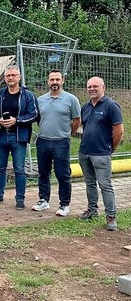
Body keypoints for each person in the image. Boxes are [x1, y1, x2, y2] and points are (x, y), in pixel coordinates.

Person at [0, 65, 38, 209]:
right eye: (8, 76)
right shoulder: (0, 94)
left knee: (19, 169)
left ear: (19, 77)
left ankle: (20, 199)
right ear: (5, 78)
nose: (11, 78)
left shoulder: (28, 95)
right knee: (0, 167)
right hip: (2, 135)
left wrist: (17, 120)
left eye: (13, 75)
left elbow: (34, 114)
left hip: (18, 137)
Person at [32, 70, 81, 217]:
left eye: (57, 79)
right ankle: (43, 200)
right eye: (52, 79)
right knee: (43, 172)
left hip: (61, 142)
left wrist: (67, 134)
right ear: (48, 81)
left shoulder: (71, 99)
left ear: (62, 81)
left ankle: (64, 204)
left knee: (62, 174)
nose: (54, 82)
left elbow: (76, 120)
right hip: (43, 141)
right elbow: (39, 119)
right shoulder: (40, 100)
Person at [79, 76, 124, 231]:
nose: (92, 89)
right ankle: (92, 210)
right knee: (89, 182)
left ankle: (111, 217)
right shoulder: (85, 107)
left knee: (105, 185)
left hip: (101, 153)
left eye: (95, 86)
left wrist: (112, 147)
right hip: (84, 152)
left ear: (103, 87)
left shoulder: (111, 106)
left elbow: (119, 131)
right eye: (89, 86)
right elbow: (83, 127)